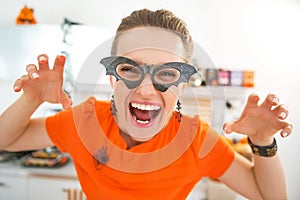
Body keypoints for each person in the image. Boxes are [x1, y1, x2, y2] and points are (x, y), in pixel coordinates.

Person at [0, 8, 293, 200]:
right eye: (129, 69)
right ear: (113, 77)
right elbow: (6, 139)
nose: (146, 88)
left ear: (182, 84)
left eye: (167, 73)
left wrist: (262, 141)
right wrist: (30, 100)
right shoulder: (85, 121)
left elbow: (270, 196)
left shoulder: (196, 140)